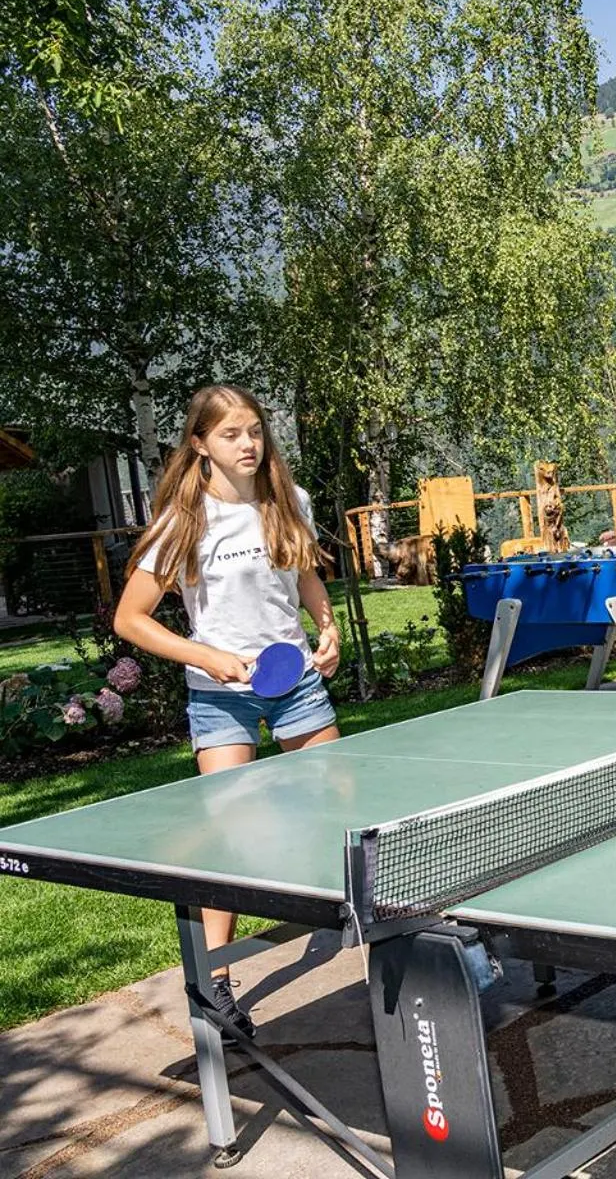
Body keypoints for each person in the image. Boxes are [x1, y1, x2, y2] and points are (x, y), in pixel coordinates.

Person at [114, 384, 342, 1041]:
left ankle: (380, 933)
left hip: (295, 682)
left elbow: (305, 579)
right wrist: (204, 655)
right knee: (227, 839)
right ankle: (214, 980)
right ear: (200, 444)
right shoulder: (181, 526)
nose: (247, 444)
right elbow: (130, 620)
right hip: (220, 698)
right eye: (231, 434)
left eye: (254, 431)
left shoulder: (285, 504)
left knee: (343, 810)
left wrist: (325, 630)